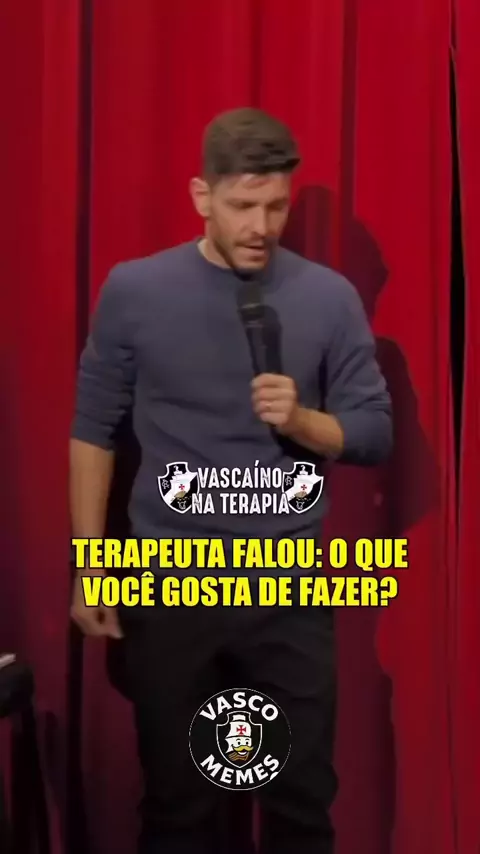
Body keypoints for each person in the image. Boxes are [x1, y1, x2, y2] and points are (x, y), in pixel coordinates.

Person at [69, 107, 393, 854]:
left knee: (301, 807)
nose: (260, 226)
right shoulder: (135, 291)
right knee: (179, 809)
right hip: (169, 582)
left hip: (287, 586)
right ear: (201, 196)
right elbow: (92, 431)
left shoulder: (328, 298)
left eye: (275, 207)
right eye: (243, 205)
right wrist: (90, 567)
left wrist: (302, 421)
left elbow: (374, 434)